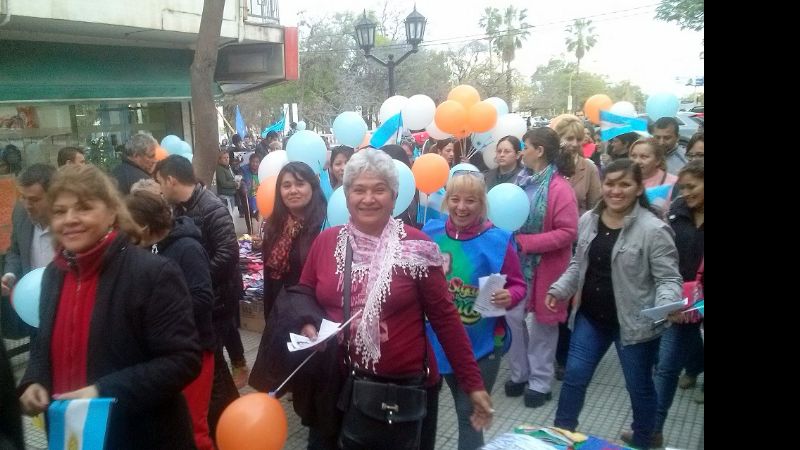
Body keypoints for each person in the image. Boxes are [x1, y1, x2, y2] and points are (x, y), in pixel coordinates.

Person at [288, 150, 493, 450]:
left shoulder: (418, 246)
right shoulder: (326, 241)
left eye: (379, 189)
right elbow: (304, 293)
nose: (368, 199)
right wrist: (308, 323)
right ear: (346, 196)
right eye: (359, 190)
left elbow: (445, 318)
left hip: (399, 394)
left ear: (394, 196)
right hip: (334, 383)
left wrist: (472, 384)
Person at [18, 164, 201, 449]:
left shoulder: (152, 274)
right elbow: (44, 345)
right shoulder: (55, 274)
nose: (70, 219)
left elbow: (183, 360)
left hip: (138, 435)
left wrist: (102, 392)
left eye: (84, 208)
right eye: (59, 211)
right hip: (72, 436)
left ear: (112, 212)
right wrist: (34, 380)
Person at [546, 158, 682, 449]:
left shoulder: (654, 229)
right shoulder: (588, 220)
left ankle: (644, 440)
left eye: (625, 184)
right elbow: (577, 264)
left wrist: (667, 303)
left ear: (638, 188)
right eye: (610, 183)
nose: (616, 191)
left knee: (639, 387)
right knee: (574, 377)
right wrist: (560, 289)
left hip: (635, 325)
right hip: (591, 318)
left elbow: (669, 279)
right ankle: (560, 437)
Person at [422, 171, 527, 450]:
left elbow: (519, 285)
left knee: (468, 413)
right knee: (437, 410)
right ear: (446, 201)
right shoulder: (430, 234)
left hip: (483, 345)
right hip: (439, 342)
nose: (461, 207)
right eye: (455, 199)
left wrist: (510, 295)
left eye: (470, 200)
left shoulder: (499, 240)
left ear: (482, 204)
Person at [154, 155, 245, 434]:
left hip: (217, 297)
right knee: (214, 362)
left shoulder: (211, 207)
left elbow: (228, 254)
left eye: (160, 183)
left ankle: (225, 423)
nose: (159, 190)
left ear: (171, 180)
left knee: (214, 362)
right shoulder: (179, 207)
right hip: (205, 297)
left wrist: (199, 279)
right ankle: (229, 418)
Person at [127, 181, 217, 450]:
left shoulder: (187, 248)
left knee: (194, 427)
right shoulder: (141, 250)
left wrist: (160, 311)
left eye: (126, 227)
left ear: (143, 227)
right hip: (161, 352)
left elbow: (203, 297)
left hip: (194, 349)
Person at [623, 159, 705, 447]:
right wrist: (670, 300)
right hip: (679, 303)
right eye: (683, 187)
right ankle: (652, 430)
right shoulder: (676, 212)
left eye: (692, 187)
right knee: (667, 367)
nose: (686, 193)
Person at [505, 127, 578, 409]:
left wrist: (527, 242)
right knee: (513, 317)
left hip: (546, 267)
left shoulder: (560, 188)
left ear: (540, 151)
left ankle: (540, 382)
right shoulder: (520, 181)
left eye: (525, 147)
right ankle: (519, 373)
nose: (521, 152)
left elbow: (568, 232)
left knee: (542, 327)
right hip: (517, 266)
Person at [249, 162, 327, 390]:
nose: (293, 190)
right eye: (286, 185)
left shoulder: (324, 224)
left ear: (312, 187)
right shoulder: (275, 225)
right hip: (281, 307)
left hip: (312, 310)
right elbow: (270, 274)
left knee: (312, 376)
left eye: (300, 184)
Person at [1, 164, 56, 338]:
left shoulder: (72, 226)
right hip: (34, 310)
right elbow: (15, 251)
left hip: (66, 309)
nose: (27, 205)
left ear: (54, 196)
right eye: (23, 198)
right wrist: (10, 274)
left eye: (34, 199)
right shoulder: (20, 214)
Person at [553, 115, 602, 217]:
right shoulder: (548, 165)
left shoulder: (589, 168)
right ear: (558, 139)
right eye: (569, 138)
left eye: (579, 139)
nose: (575, 144)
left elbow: (595, 209)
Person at [629, 138, 678, 215]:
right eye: (633, 156)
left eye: (644, 157)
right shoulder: (624, 180)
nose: (637, 161)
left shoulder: (674, 183)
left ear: (657, 160)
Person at [215, 151, 239, 219]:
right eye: (224, 158)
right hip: (225, 196)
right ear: (219, 159)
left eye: (227, 157)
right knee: (228, 216)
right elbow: (223, 183)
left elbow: (232, 177)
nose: (226, 159)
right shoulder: (219, 169)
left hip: (231, 194)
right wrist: (235, 184)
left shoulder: (228, 167)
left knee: (231, 214)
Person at [240, 153, 261, 221]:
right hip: (248, 196)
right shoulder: (244, 169)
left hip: (259, 197)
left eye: (257, 162)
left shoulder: (262, 170)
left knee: (259, 217)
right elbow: (242, 180)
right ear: (249, 161)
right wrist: (244, 187)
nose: (255, 164)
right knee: (250, 217)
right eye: (253, 162)